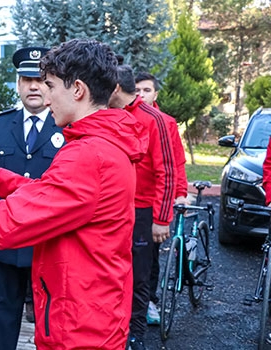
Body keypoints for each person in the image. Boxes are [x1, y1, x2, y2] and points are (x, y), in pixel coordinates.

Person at [0, 38, 147, 350]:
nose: (46, 98)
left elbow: (4, 225)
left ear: (77, 90)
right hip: (89, 311)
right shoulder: (99, 145)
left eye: (49, 85)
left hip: (79, 326)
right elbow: (63, 198)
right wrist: (2, 179)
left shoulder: (88, 155)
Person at [0, 46, 64, 350]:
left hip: (48, 242)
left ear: (49, 85)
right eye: (25, 79)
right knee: (2, 318)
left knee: (51, 321)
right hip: (7, 239)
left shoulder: (66, 126)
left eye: (40, 80)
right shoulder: (2, 123)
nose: (32, 86)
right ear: (18, 84)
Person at [109, 65, 176, 350]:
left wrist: (161, 218)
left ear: (114, 89)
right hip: (112, 207)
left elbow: (168, 171)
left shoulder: (154, 119)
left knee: (139, 275)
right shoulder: (107, 115)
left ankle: (135, 335)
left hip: (142, 211)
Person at [135, 71, 189, 327]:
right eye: (137, 90)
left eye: (146, 90)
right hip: (128, 200)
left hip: (152, 198)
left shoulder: (165, 122)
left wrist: (180, 193)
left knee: (150, 255)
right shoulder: (126, 116)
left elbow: (174, 163)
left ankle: (150, 300)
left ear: (155, 94)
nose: (141, 95)